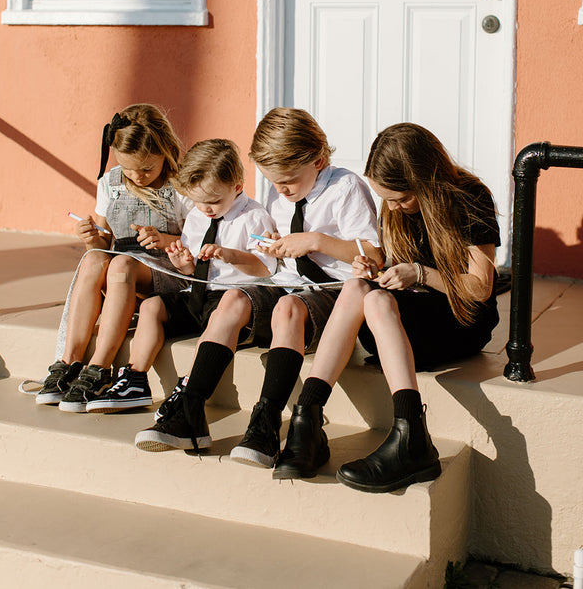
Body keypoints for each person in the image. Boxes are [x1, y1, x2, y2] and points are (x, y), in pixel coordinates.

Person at [134, 107, 379, 460]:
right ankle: (190, 410)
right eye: (272, 181)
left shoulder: (345, 187)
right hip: (284, 282)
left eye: (289, 180)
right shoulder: (278, 196)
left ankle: (265, 422)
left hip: (329, 293)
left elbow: (373, 251)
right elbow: (271, 260)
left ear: (319, 160)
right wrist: (270, 246)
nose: (280, 189)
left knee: (288, 307)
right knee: (233, 298)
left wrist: (315, 241)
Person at [274, 122, 501, 492]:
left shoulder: (469, 197)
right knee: (358, 286)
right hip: (406, 318)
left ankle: (411, 435)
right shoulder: (396, 207)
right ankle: (308, 420)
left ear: (425, 179)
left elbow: (479, 288)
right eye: (387, 199)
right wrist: (374, 268)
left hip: (459, 320)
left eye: (401, 198)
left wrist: (419, 274)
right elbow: (393, 267)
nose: (393, 206)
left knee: (376, 299)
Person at [87, 138, 277, 413]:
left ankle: (189, 382)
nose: (206, 209)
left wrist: (230, 255)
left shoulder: (254, 216)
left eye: (213, 201)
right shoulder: (200, 216)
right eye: (199, 202)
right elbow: (190, 270)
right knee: (152, 305)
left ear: (237, 186)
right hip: (198, 294)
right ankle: (135, 378)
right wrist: (182, 263)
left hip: (230, 301)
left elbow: (265, 267)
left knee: (221, 312)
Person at [35, 104, 193, 412]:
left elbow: (199, 243)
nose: (137, 175)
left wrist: (166, 239)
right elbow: (106, 238)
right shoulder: (112, 182)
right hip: (123, 269)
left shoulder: (181, 185)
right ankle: (68, 362)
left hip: (168, 267)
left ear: (166, 151)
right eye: (129, 167)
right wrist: (93, 239)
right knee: (94, 259)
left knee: (120, 265)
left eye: (147, 169)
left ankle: (99, 366)